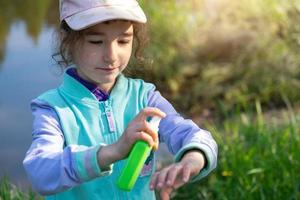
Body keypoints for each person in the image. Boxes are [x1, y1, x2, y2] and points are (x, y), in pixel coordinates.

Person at [23, 0, 218, 199]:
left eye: (123, 40)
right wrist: (112, 151)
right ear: (67, 40)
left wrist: (191, 159)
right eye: (96, 42)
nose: (111, 56)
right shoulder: (53, 109)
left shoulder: (145, 98)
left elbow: (192, 134)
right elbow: (40, 172)